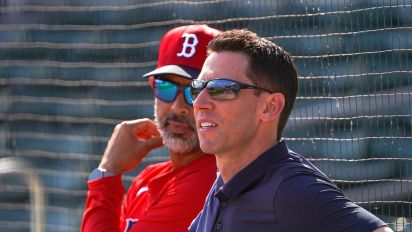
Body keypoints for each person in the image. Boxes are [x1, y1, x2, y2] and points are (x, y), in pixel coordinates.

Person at [188, 29, 393, 232]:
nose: (199, 102)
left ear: (270, 107)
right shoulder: (225, 186)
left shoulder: (292, 189)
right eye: (198, 88)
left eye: (222, 89)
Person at [81, 24, 221, 232]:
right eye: (165, 87)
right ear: (152, 87)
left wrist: (107, 173)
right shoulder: (146, 179)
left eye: (194, 92)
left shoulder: (209, 180)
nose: (177, 107)